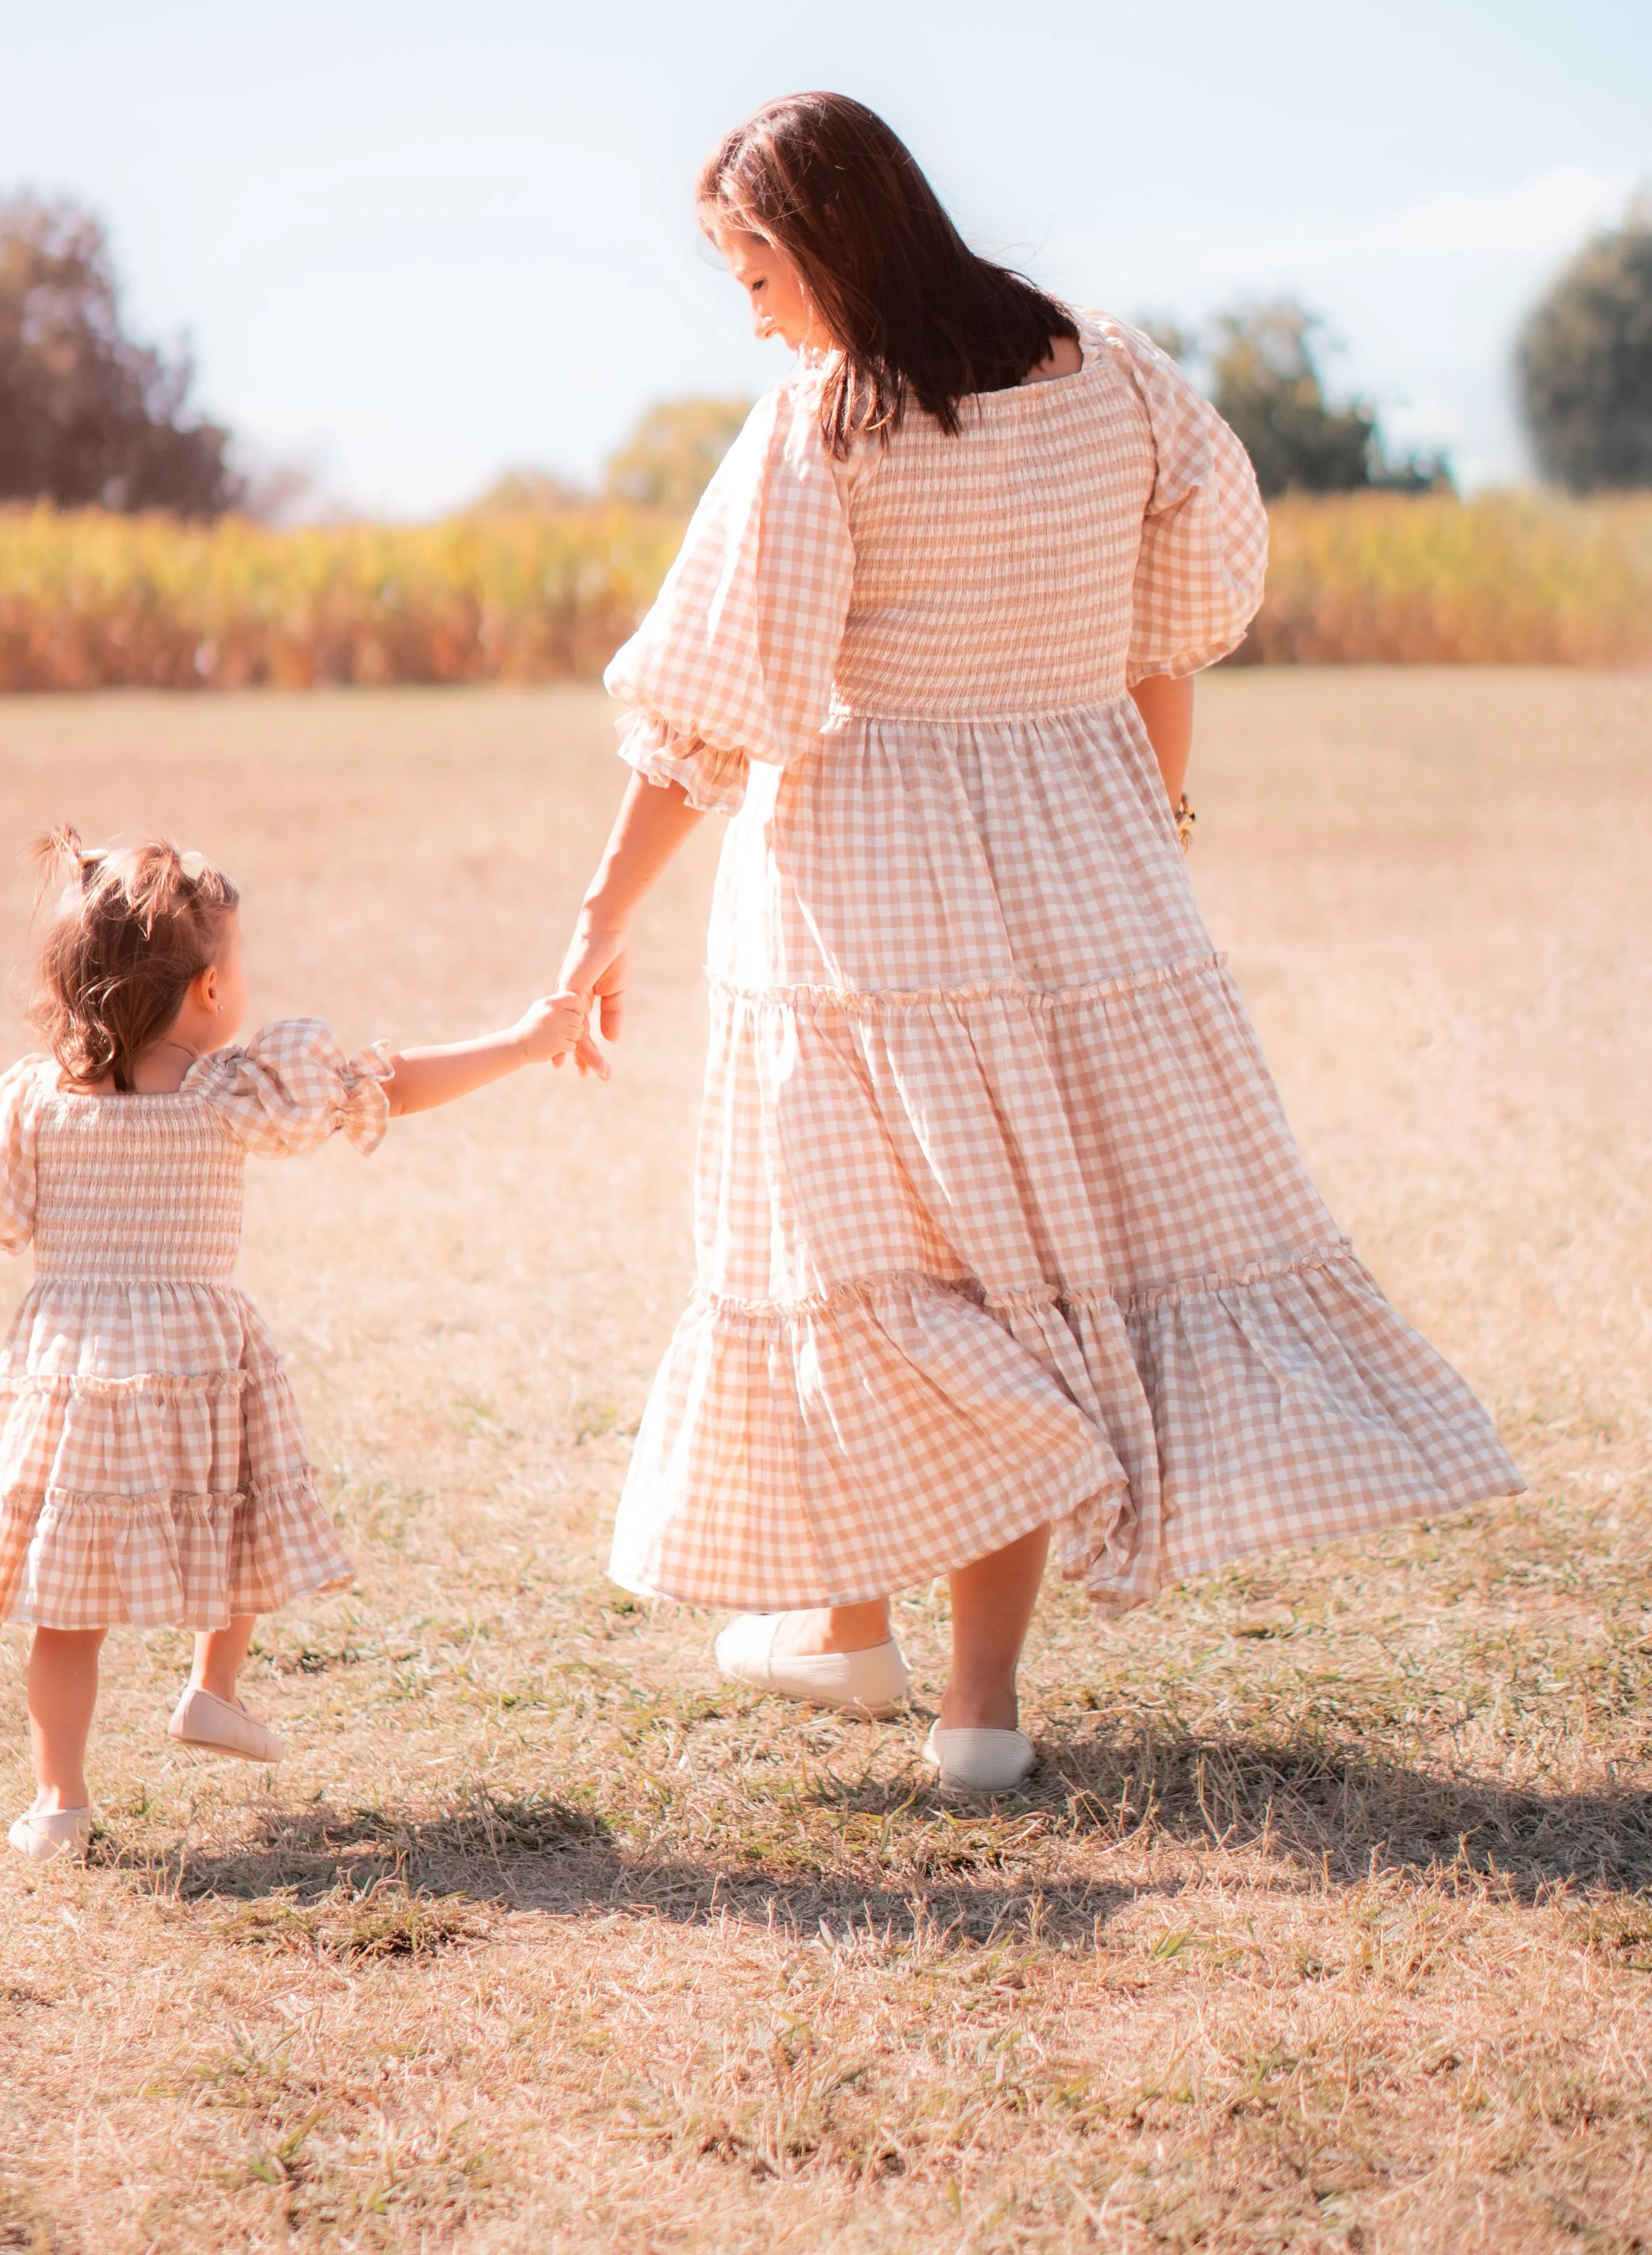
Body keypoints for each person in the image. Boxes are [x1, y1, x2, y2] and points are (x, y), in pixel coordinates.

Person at [556, 93, 1520, 1795]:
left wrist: (594, 921)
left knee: (857, 1260)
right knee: (995, 1264)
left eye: (752, 260)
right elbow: (1179, 612)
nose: (745, 300)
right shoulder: (1119, 375)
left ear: (831, 238)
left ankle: (858, 1634)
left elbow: (706, 715)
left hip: (860, 886)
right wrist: (1142, 822)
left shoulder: (819, 430)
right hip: (1090, 862)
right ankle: (947, 1699)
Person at [0, 828, 583, 1863]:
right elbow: (383, 1084)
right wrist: (520, 1044)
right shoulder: (232, 1091)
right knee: (239, 1514)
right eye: (240, 960)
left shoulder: (33, 1103)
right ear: (208, 989)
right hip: (199, 1351)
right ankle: (213, 1687)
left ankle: (59, 1801)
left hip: (71, 1370)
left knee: (65, 1610)